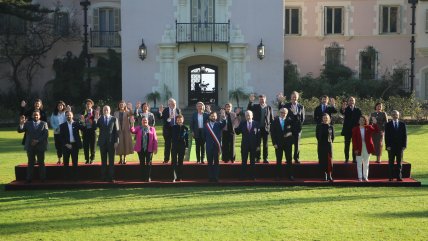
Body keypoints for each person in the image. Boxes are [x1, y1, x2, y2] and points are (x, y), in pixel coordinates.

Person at [17, 110, 49, 183]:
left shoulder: (44, 123)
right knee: (30, 162)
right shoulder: (27, 123)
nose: (36, 116)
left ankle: (43, 178)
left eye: (37, 115)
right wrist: (21, 123)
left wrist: (37, 141)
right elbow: (20, 130)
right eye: (34, 115)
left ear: (39, 116)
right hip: (30, 146)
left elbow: (46, 135)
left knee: (41, 162)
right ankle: (29, 178)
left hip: (40, 146)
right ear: (32, 116)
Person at [95, 105, 119, 182]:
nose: (106, 111)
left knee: (111, 161)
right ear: (102, 110)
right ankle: (103, 177)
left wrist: (116, 141)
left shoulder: (114, 119)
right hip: (102, 143)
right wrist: (95, 119)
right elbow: (94, 127)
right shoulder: (100, 119)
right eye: (104, 109)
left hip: (111, 143)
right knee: (103, 160)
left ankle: (111, 177)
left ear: (110, 110)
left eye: (107, 110)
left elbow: (117, 132)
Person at [247, 94, 274, 163]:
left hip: (266, 129)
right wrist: (250, 102)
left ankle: (265, 158)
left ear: (265, 99)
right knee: (257, 144)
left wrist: (271, 128)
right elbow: (249, 109)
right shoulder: (255, 106)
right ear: (258, 100)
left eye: (262, 99)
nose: (261, 100)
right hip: (257, 129)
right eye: (260, 99)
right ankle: (258, 158)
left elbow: (271, 118)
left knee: (265, 145)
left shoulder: (269, 107)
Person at [130, 116, 158, 182]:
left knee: (148, 163)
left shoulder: (152, 129)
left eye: (146, 120)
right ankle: (142, 177)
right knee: (142, 163)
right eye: (143, 120)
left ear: (148, 121)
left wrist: (155, 148)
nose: (144, 121)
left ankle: (148, 177)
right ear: (141, 122)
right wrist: (132, 123)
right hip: (140, 149)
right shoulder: (138, 128)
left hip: (149, 149)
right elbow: (132, 131)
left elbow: (155, 139)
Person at [235, 110, 261, 180]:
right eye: (246, 115)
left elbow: (258, 136)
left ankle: (253, 176)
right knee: (244, 161)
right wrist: (236, 125)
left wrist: (258, 146)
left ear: (252, 116)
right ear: (245, 116)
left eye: (249, 115)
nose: (248, 116)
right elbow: (237, 132)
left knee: (252, 162)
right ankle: (243, 177)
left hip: (253, 146)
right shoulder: (242, 123)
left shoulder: (256, 124)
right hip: (244, 146)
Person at [352, 115, 379, 182]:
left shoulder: (369, 127)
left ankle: (365, 177)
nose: (361, 121)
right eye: (360, 120)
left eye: (363, 120)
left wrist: (375, 123)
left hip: (367, 148)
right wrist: (355, 149)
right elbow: (354, 140)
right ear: (358, 121)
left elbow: (376, 131)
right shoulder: (355, 129)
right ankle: (360, 177)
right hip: (358, 148)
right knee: (359, 163)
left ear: (365, 121)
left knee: (366, 163)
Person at [280, 91, 305, 164]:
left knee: (297, 145)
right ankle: (289, 159)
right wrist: (280, 102)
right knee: (288, 144)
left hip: (297, 129)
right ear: (290, 97)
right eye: (293, 96)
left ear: (298, 97)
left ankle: (296, 158)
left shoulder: (301, 107)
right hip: (289, 129)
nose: (294, 98)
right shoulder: (286, 105)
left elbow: (302, 119)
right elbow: (281, 111)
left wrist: (295, 114)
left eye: (295, 97)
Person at [270, 108, 294, 180]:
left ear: (287, 114)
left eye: (284, 113)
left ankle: (290, 175)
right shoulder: (275, 121)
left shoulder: (290, 121)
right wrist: (274, 143)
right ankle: (278, 176)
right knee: (278, 160)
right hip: (278, 144)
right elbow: (272, 133)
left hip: (288, 144)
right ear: (279, 113)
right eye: (281, 112)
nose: (283, 114)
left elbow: (296, 129)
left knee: (289, 160)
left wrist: (290, 133)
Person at [60, 111, 84, 180]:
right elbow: (61, 137)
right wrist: (66, 144)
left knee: (75, 162)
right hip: (66, 146)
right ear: (65, 116)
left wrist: (82, 122)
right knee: (66, 162)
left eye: (69, 115)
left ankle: (75, 178)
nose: (68, 116)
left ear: (72, 115)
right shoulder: (62, 125)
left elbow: (83, 128)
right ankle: (66, 178)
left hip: (75, 145)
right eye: (67, 115)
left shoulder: (76, 124)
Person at [204, 110, 226, 182]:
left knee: (216, 162)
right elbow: (204, 136)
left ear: (216, 117)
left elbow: (224, 123)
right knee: (209, 162)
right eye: (212, 116)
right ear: (209, 117)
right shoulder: (206, 125)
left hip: (216, 147)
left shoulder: (219, 124)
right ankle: (210, 177)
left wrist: (223, 116)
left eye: (214, 116)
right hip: (209, 147)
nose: (213, 117)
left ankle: (216, 177)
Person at [384, 110, 407, 181]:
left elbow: (405, 135)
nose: (395, 115)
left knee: (399, 162)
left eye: (396, 114)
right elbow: (386, 136)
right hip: (391, 147)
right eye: (393, 114)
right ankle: (390, 177)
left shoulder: (402, 124)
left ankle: (399, 177)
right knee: (391, 162)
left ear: (398, 115)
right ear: (391, 115)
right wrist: (387, 146)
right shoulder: (388, 124)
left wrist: (404, 145)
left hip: (400, 147)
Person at [158, 98, 181, 164]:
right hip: (167, 130)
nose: (174, 105)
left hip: (175, 130)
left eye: (175, 104)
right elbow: (160, 118)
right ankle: (166, 160)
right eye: (172, 104)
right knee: (167, 145)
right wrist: (160, 112)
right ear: (169, 104)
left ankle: (174, 160)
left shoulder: (177, 110)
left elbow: (180, 119)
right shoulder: (165, 110)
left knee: (175, 146)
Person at [340, 96, 362, 163]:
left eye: (352, 100)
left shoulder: (358, 110)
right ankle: (346, 158)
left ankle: (354, 159)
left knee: (355, 145)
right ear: (348, 102)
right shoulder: (345, 109)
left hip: (355, 130)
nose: (351, 101)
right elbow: (342, 112)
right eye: (350, 100)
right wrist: (343, 109)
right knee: (347, 145)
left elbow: (360, 119)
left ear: (354, 101)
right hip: (347, 130)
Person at [316, 113, 335, 182]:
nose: (325, 119)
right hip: (321, 145)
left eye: (326, 118)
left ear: (329, 119)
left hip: (328, 145)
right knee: (322, 160)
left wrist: (329, 142)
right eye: (324, 118)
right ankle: (325, 175)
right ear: (322, 119)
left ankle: (329, 175)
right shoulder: (319, 126)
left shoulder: (331, 127)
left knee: (329, 161)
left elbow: (333, 137)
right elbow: (317, 136)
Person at [171, 115, 189, 182]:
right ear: (176, 120)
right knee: (174, 161)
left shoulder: (185, 128)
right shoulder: (173, 127)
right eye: (178, 120)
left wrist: (186, 147)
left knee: (180, 161)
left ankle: (179, 177)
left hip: (182, 146)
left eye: (180, 120)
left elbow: (186, 139)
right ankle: (173, 177)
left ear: (183, 120)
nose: (179, 121)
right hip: (174, 146)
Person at [50, 100, 67, 165]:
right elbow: (52, 122)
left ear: (63, 106)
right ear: (57, 107)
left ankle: (64, 159)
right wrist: (56, 128)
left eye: (61, 105)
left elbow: (67, 121)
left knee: (64, 146)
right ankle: (59, 159)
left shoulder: (65, 113)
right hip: (56, 132)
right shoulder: (54, 114)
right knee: (58, 146)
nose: (60, 106)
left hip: (64, 133)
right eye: (58, 105)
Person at [81, 99, 97, 164]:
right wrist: (83, 122)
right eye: (87, 104)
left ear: (91, 105)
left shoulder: (95, 112)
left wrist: (93, 122)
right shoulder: (83, 112)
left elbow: (97, 121)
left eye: (89, 104)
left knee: (93, 146)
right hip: (85, 131)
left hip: (93, 131)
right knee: (85, 146)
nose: (88, 105)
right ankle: (87, 159)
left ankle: (92, 159)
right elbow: (81, 122)